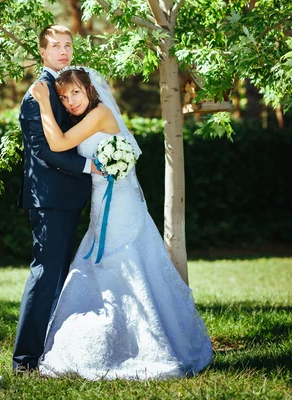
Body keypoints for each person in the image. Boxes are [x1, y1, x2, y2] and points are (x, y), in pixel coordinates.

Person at [31, 66, 213, 380]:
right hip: (103, 200)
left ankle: (145, 347)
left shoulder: (99, 113)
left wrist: (43, 102)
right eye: (62, 97)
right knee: (106, 263)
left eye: (75, 92)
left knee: (121, 262)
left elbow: (59, 144)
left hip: (119, 201)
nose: (70, 101)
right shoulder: (86, 117)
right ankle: (111, 340)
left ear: (89, 90)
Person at [13, 26, 96, 373]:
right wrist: (90, 166)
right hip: (48, 199)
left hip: (69, 198)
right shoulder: (39, 93)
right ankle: (25, 360)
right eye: (55, 46)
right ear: (43, 52)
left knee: (61, 277)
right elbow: (45, 151)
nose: (63, 51)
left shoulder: (67, 86)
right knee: (45, 276)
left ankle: (51, 350)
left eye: (68, 45)